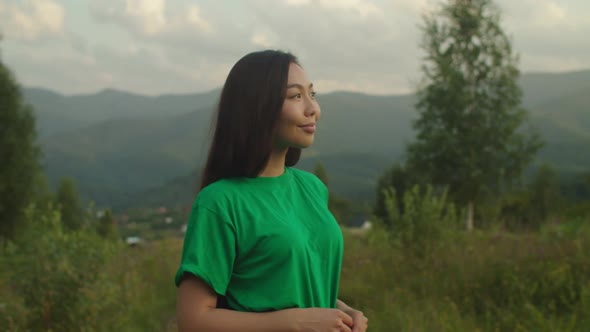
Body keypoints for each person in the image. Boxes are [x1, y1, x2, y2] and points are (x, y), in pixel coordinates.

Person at [174, 50, 368, 332]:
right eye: (296, 96)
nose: (313, 108)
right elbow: (193, 320)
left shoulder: (312, 187)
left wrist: (343, 312)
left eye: (312, 94)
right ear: (257, 107)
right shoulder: (220, 202)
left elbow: (287, 284)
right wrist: (291, 323)